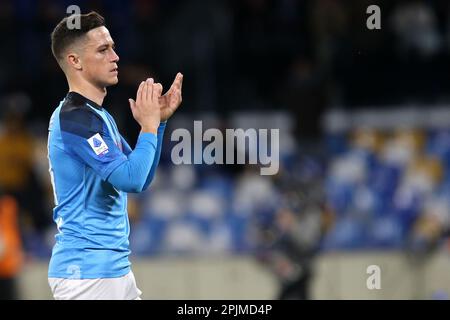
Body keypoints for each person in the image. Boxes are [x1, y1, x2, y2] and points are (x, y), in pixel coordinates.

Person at [47, 11, 183, 300]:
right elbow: (130, 180)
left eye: (112, 47)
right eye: (103, 49)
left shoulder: (95, 116)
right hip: (86, 275)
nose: (116, 56)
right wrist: (147, 125)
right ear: (75, 61)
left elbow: (141, 176)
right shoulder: (75, 119)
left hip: (111, 270)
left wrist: (156, 124)